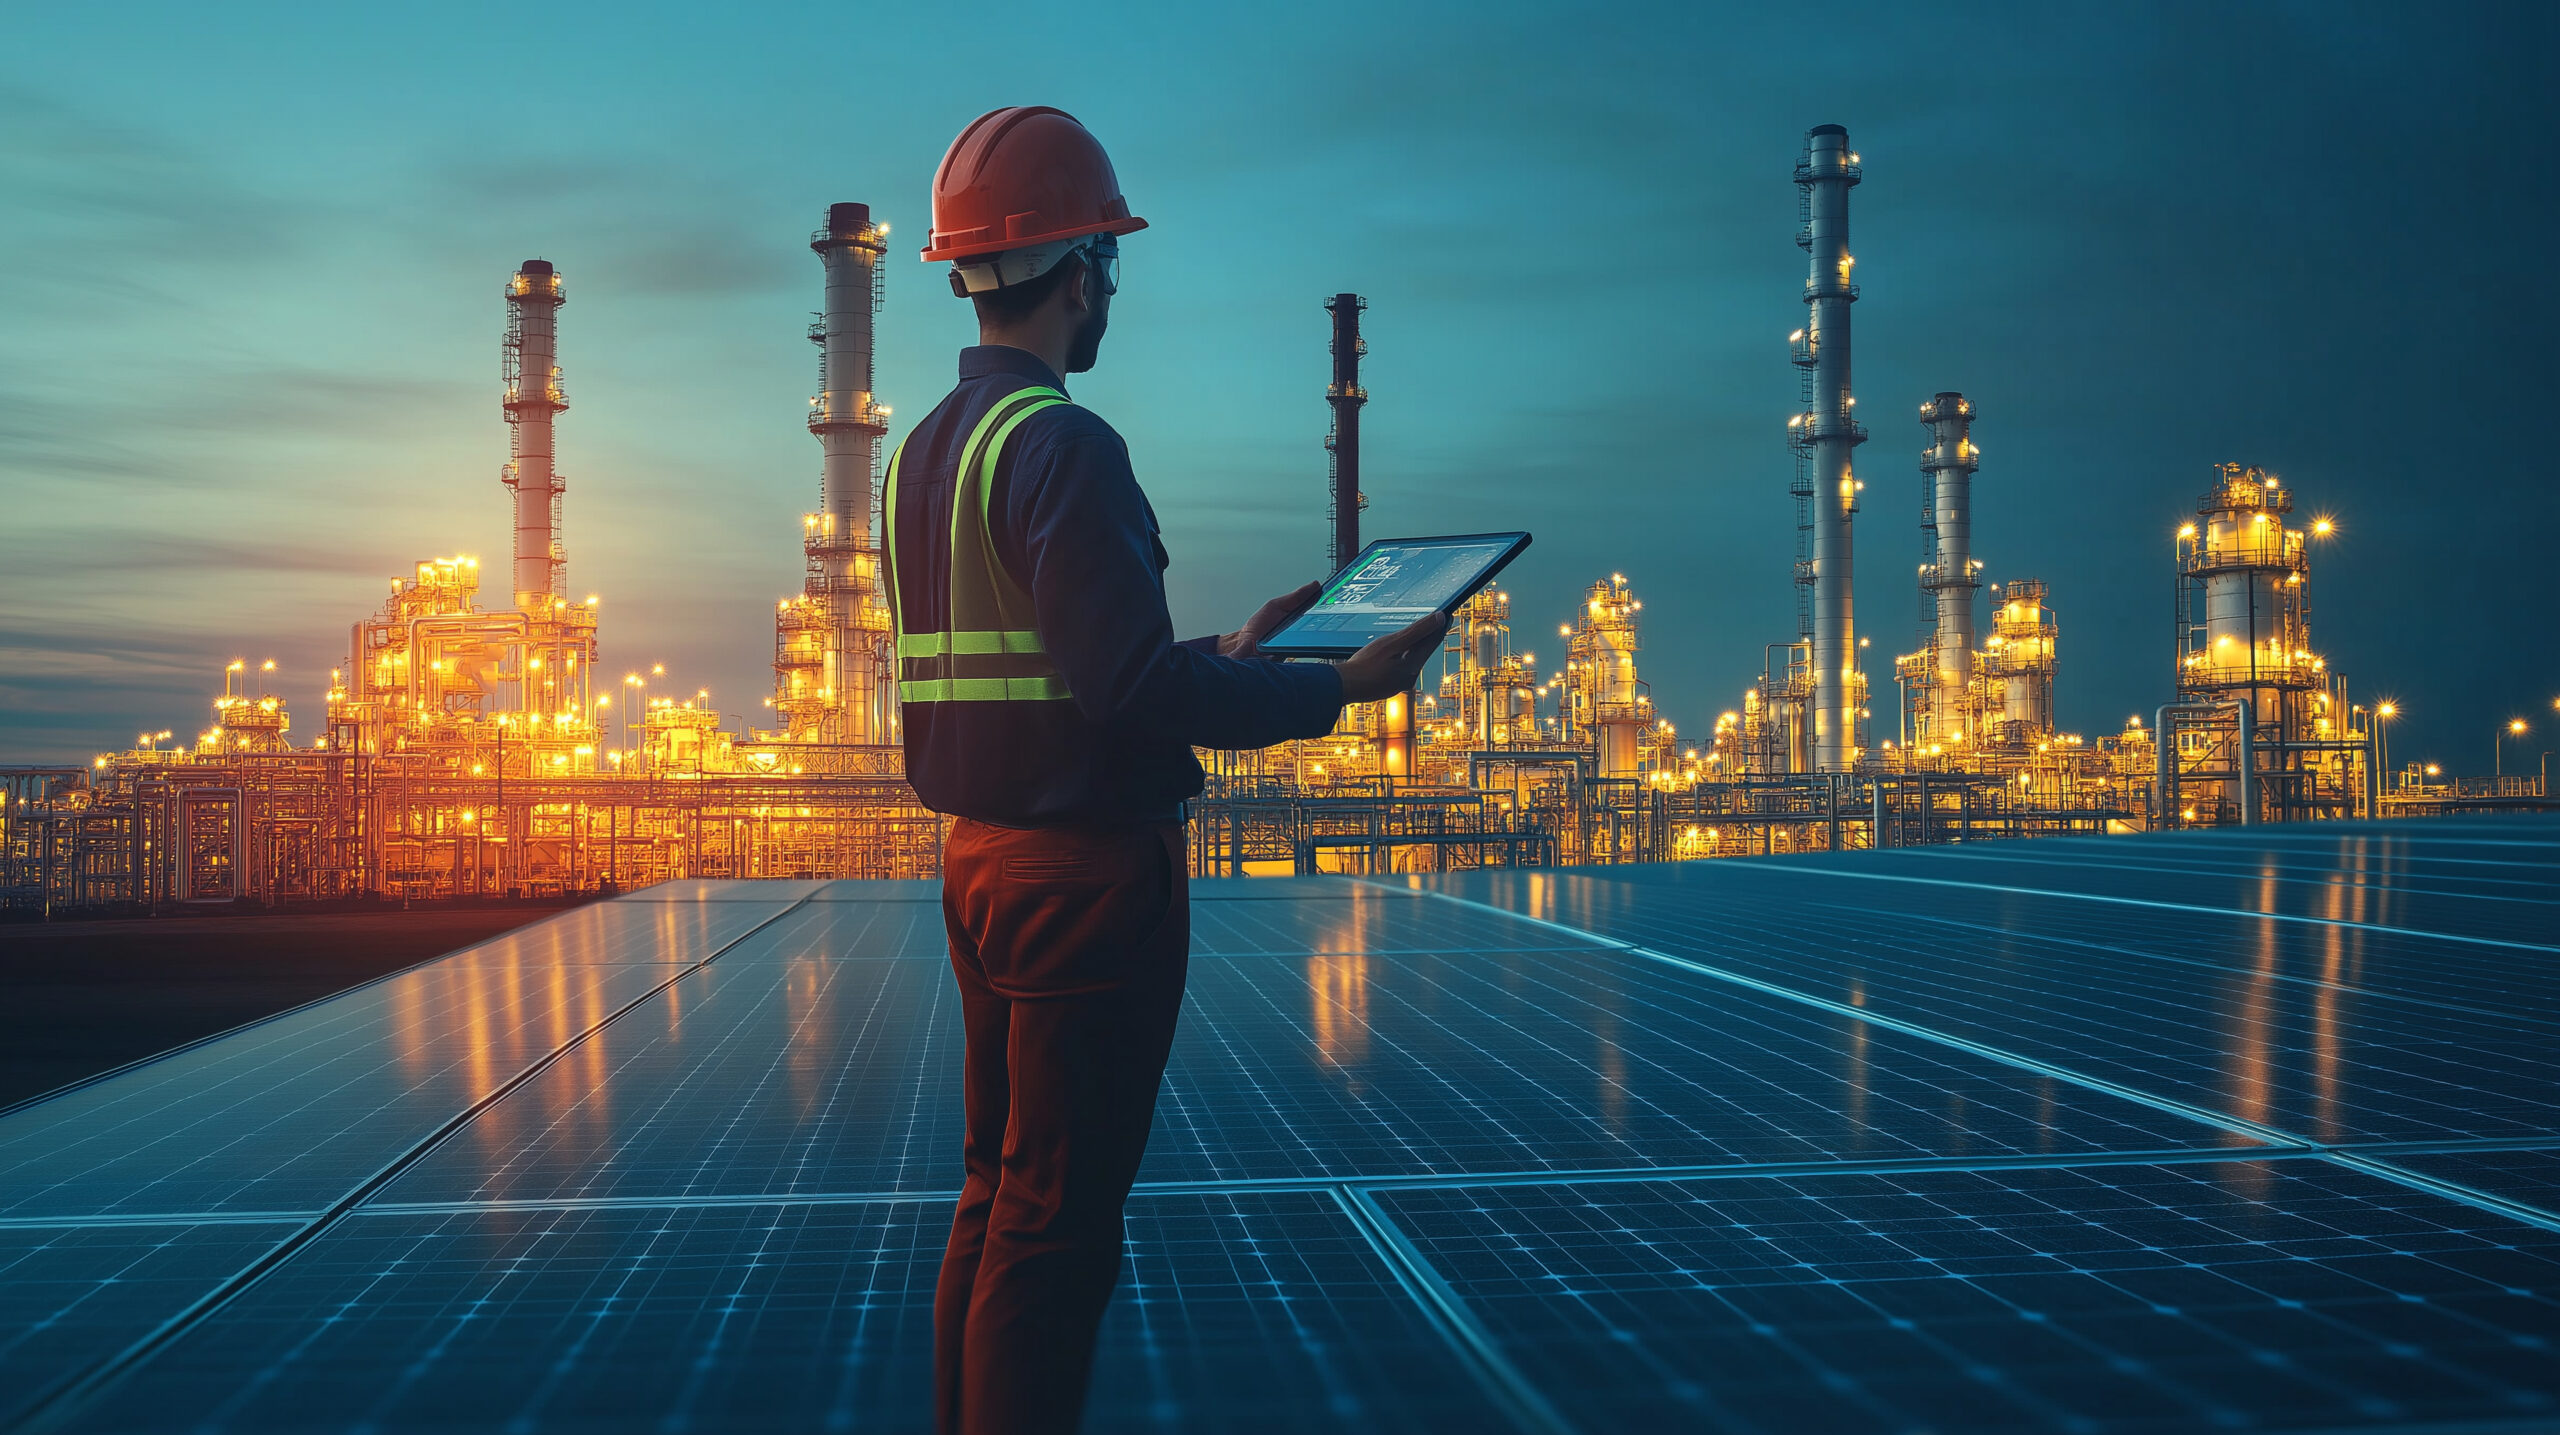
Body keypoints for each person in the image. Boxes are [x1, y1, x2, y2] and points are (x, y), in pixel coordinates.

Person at [888, 106, 1446, 1435]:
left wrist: (1225, 648)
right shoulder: (1066, 447)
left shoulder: (926, 453)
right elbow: (1131, 697)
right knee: (1059, 1224)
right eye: (1110, 268)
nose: (1109, 296)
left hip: (979, 866)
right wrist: (1329, 690)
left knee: (997, 1192)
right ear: (1078, 270)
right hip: (1085, 877)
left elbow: (1067, 664)